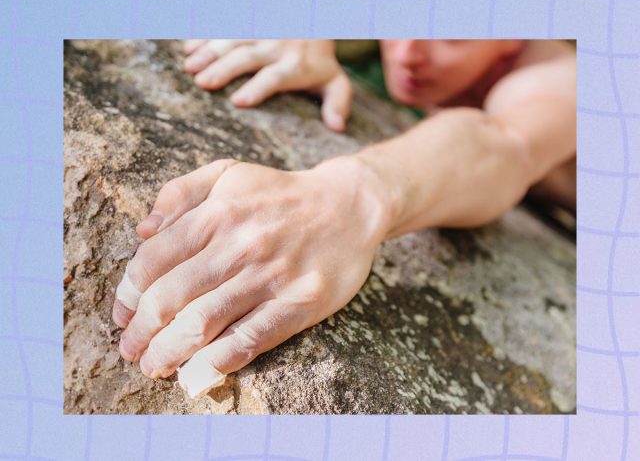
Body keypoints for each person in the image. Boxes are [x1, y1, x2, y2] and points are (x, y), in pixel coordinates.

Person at [112, 40, 576, 395]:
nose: (409, 53)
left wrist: (354, 195)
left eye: (450, 35)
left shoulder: (565, 78)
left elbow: (505, 143)